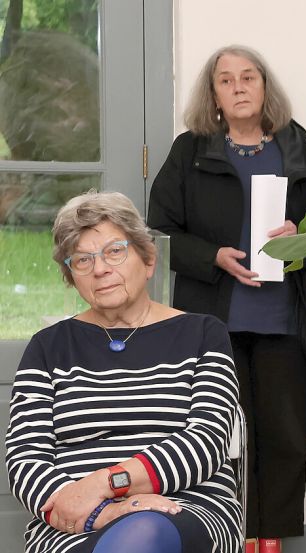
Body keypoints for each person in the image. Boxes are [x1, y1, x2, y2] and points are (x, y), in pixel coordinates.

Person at [147, 45, 306, 553]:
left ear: (263, 86)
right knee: (217, 438)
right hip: (213, 324)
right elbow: (159, 234)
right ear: (213, 94)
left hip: (286, 321)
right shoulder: (189, 150)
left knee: (281, 435)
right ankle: (225, 535)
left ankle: (268, 540)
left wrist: (302, 233)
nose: (237, 87)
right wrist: (213, 255)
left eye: (247, 77)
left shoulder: (299, 146)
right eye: (225, 80)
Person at [5, 191, 241, 553]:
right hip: (75, 522)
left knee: (144, 532)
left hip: (184, 508)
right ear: (72, 277)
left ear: (148, 259)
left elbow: (206, 441)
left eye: (115, 251)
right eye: (82, 260)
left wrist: (107, 484)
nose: (100, 269)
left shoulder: (204, 334)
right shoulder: (47, 348)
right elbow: (26, 459)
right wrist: (106, 511)